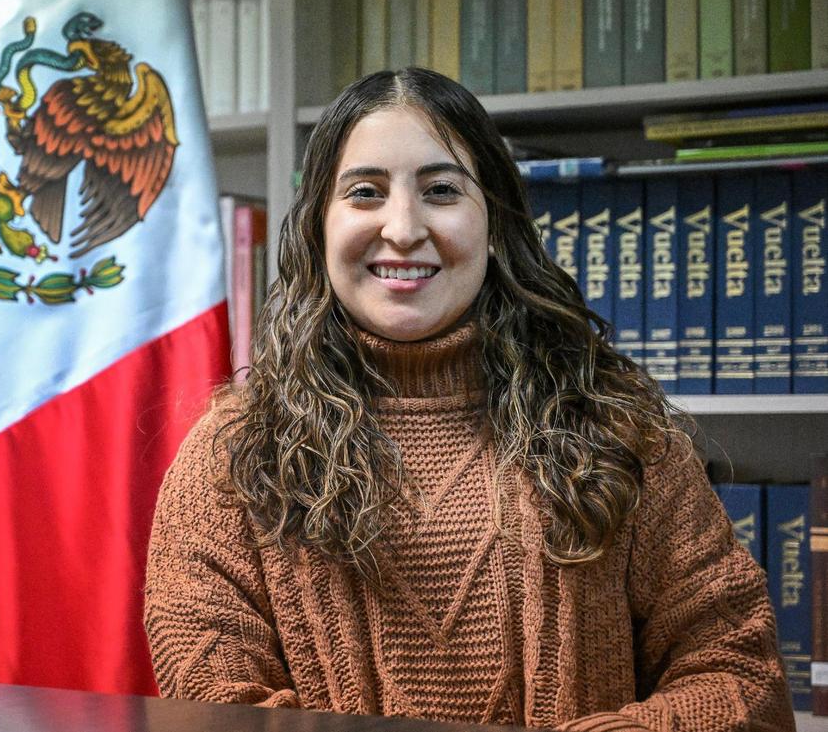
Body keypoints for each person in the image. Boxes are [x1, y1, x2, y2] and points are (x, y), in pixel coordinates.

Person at [143, 68, 794, 732]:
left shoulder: (619, 432)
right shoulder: (232, 459)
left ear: (494, 223)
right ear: (318, 225)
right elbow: (215, 710)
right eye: (365, 192)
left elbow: (742, 680)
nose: (402, 228)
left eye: (441, 190)